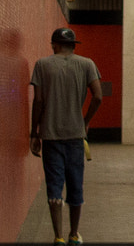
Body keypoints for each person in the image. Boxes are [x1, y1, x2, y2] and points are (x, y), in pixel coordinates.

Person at [30, 28, 106, 246]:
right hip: (75, 136)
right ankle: (74, 234)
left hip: (50, 136)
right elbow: (98, 97)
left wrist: (34, 133)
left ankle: (58, 237)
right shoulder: (87, 64)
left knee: (54, 185)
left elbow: (38, 102)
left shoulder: (42, 65)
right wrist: (85, 121)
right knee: (75, 184)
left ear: (54, 45)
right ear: (74, 45)